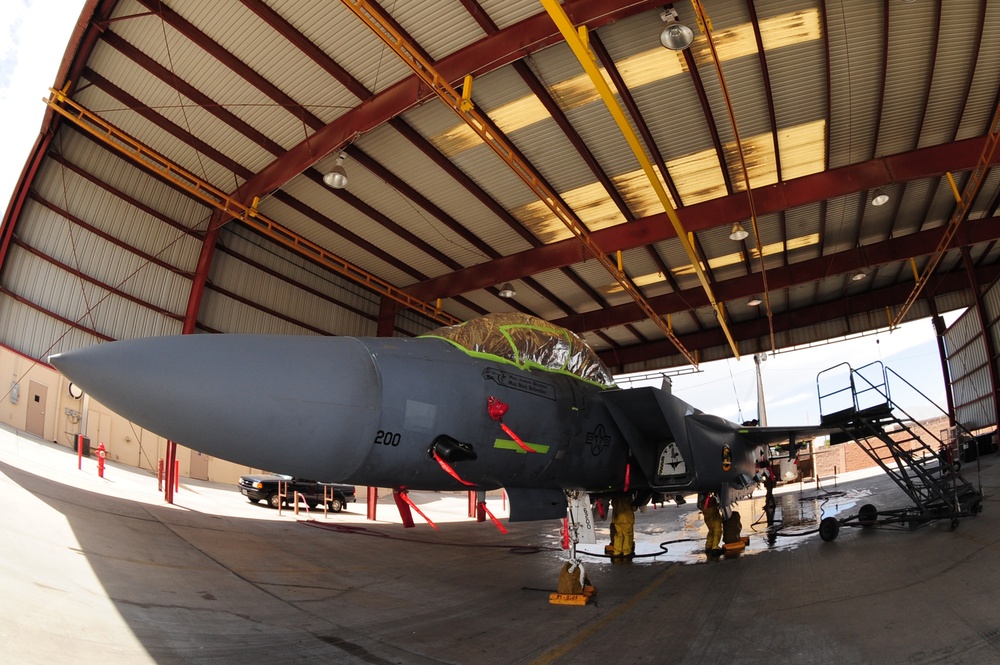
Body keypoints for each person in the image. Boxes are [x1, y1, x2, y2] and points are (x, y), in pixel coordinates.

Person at [609, 493, 635, 559]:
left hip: (617, 518)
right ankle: (626, 552)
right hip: (627, 518)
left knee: (618, 535)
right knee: (627, 535)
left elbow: (613, 504)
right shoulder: (629, 497)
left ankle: (617, 551)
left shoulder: (616, 496)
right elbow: (634, 508)